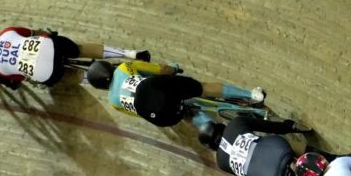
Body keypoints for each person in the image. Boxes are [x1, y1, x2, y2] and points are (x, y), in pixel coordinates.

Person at [86, 59, 265, 128]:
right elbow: (159, 69)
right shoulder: (124, 68)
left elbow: (138, 112)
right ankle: (253, 95)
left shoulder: (113, 101)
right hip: (156, 88)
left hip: (161, 115)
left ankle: (217, 129)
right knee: (203, 87)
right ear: (110, 67)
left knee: (185, 114)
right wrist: (174, 69)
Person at [196, 116, 344, 176]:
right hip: (279, 152)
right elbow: (271, 127)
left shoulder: (221, 162)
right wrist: (289, 126)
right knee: (288, 145)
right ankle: (335, 159)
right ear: (220, 126)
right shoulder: (236, 124)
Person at [0, 27, 148, 87]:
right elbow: (35, 32)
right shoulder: (6, 32)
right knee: (79, 49)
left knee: (68, 77)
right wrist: (47, 34)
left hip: (48, 72)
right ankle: (130, 54)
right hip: (52, 46)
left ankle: (110, 81)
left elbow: (22, 77)